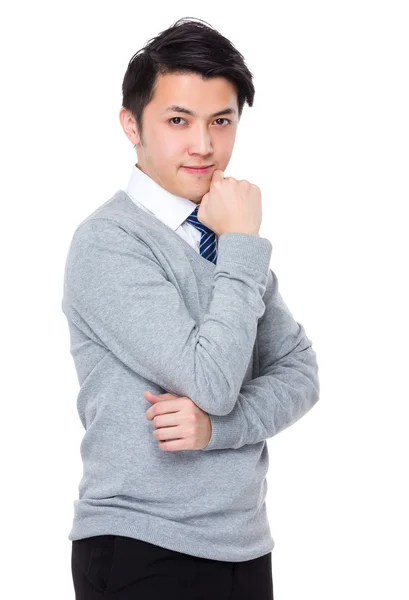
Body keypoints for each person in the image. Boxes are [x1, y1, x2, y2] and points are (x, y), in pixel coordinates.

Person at [63, 16, 320, 599]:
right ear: (132, 124)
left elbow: (300, 373)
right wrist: (243, 246)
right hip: (142, 545)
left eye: (221, 122)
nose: (204, 145)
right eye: (178, 121)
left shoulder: (224, 239)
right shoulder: (109, 241)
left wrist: (215, 430)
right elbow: (210, 379)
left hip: (244, 545)